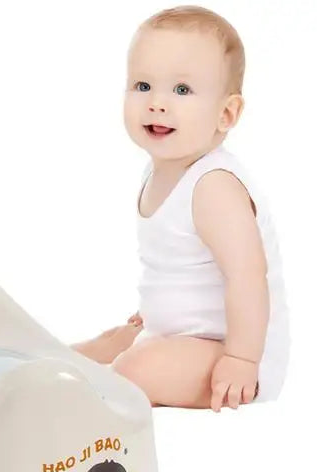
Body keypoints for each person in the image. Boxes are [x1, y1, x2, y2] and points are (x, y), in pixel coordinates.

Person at [74, 5, 289, 412]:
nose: (157, 103)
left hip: (232, 351)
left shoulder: (214, 186)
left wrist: (242, 360)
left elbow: (248, 277)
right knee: (112, 343)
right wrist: (157, 310)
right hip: (183, 337)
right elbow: (180, 266)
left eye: (182, 90)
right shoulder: (159, 171)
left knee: (136, 368)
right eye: (142, 85)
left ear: (226, 114)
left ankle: (92, 384)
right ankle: (61, 362)